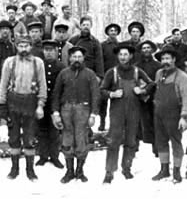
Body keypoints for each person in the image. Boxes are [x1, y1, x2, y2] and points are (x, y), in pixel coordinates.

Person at [100, 44, 154, 183]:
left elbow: (151, 84)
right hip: (117, 111)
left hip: (134, 111)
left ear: (130, 56)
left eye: (126, 54)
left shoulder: (137, 71)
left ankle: (127, 168)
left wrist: (142, 91)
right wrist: (112, 93)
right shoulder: (111, 73)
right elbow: (102, 90)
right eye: (120, 55)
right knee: (113, 141)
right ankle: (109, 171)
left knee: (131, 140)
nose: (123, 57)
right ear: (117, 56)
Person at [0, 37, 47, 181]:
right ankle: (14, 169)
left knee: (30, 138)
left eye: (26, 45)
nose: (23, 48)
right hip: (13, 102)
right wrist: (2, 106)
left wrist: (40, 105)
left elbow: (42, 86)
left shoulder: (38, 63)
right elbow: (3, 85)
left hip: (30, 102)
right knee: (13, 137)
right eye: (20, 46)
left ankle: (30, 170)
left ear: (30, 46)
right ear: (16, 47)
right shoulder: (10, 62)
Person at [50, 46, 101, 183]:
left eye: (79, 57)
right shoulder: (64, 74)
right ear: (69, 58)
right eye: (74, 57)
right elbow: (56, 94)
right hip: (66, 109)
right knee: (67, 140)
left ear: (83, 58)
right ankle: (69, 171)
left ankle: (80, 171)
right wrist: (55, 112)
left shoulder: (90, 74)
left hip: (83, 110)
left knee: (81, 140)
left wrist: (93, 114)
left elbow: (95, 95)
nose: (76, 59)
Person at [149, 47, 187, 183]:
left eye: (168, 58)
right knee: (161, 141)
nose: (165, 61)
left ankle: (177, 171)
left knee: (176, 142)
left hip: (174, 114)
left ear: (174, 59)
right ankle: (164, 169)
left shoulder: (182, 76)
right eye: (163, 59)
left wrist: (184, 116)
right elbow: (156, 89)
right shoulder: (159, 73)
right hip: (159, 113)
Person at [35, 40, 65, 169]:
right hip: (41, 102)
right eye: (46, 50)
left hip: (55, 102)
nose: (48, 53)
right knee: (41, 130)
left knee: (54, 131)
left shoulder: (61, 67)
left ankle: (55, 156)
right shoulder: (38, 65)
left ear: (56, 51)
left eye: (51, 50)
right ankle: (42, 156)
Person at [136, 41, 164, 157]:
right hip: (139, 97)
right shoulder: (136, 66)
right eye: (144, 48)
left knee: (155, 122)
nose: (146, 50)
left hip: (154, 97)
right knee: (137, 122)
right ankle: (134, 147)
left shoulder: (158, 65)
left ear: (152, 50)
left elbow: (160, 81)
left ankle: (156, 148)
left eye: (148, 48)